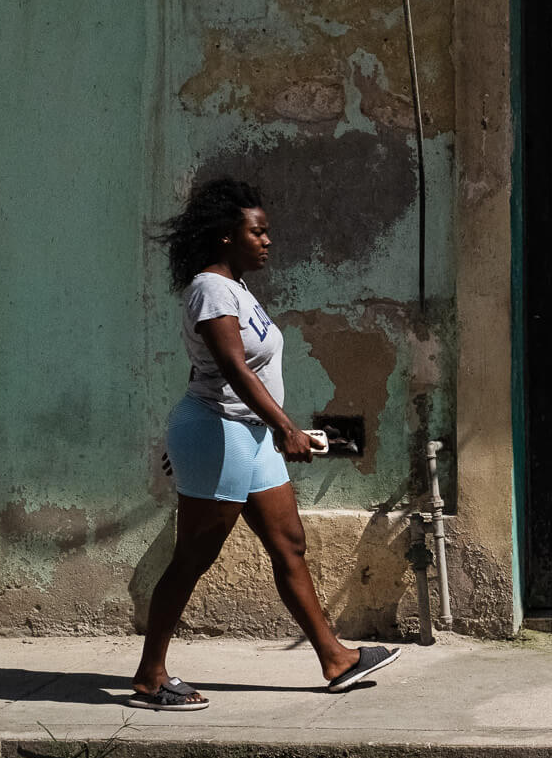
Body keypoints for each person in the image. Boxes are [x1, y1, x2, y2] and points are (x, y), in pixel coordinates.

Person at [130, 177, 401, 710]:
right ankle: (150, 676)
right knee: (194, 557)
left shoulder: (236, 289)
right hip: (220, 432)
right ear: (227, 236)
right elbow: (232, 368)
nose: (268, 241)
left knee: (288, 543)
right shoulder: (210, 288)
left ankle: (335, 658)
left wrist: (271, 428)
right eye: (258, 232)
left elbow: (215, 363)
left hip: (248, 436)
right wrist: (285, 427)